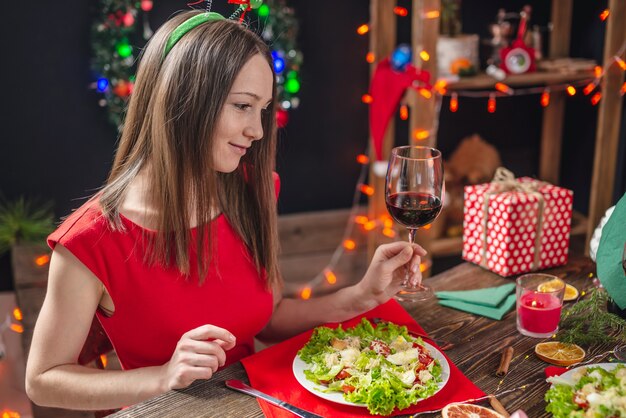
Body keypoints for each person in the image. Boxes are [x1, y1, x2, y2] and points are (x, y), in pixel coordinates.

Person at [25, 9, 426, 411]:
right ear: (184, 98)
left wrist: (360, 297)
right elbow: (43, 380)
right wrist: (163, 376)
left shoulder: (254, 189)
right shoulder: (89, 241)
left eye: (263, 109)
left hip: (256, 403)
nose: (258, 130)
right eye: (242, 106)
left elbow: (268, 318)